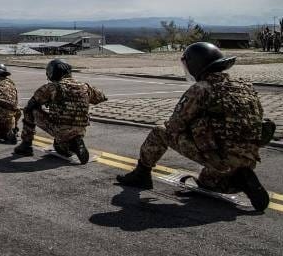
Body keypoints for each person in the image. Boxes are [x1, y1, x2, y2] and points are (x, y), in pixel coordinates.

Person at [116, 42, 271, 211]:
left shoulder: (202, 88)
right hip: (249, 155)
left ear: (196, 65)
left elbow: (175, 125)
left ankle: (141, 174)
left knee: (160, 131)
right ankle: (240, 176)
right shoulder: (244, 86)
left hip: (220, 156)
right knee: (206, 183)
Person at [14, 58, 107, 163]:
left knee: (29, 110)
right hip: (80, 129)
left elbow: (32, 104)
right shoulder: (85, 86)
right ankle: (74, 143)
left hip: (60, 129)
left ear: (53, 73)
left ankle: (26, 145)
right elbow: (102, 97)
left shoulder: (52, 87)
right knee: (59, 147)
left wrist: (49, 102)